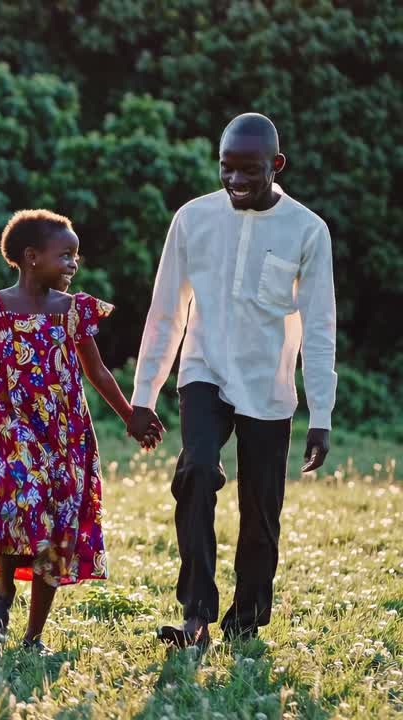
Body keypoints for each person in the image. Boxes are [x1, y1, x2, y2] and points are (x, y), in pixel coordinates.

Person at [127, 112, 337, 649]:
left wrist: (322, 416)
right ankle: (195, 615)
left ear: (277, 165)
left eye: (250, 171)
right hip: (204, 370)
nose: (237, 182)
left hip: (268, 385)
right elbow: (166, 312)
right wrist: (143, 396)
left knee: (261, 510)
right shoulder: (193, 219)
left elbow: (318, 328)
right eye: (228, 169)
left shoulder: (307, 230)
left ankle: (245, 624)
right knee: (196, 471)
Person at [0, 209, 147, 653]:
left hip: (66, 435)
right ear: (31, 257)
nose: (73, 264)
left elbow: (98, 372)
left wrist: (130, 415)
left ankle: (34, 636)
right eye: (65, 255)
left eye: (76, 257)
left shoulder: (74, 311)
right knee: (22, 502)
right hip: (11, 429)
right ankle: (5, 589)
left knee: (59, 525)